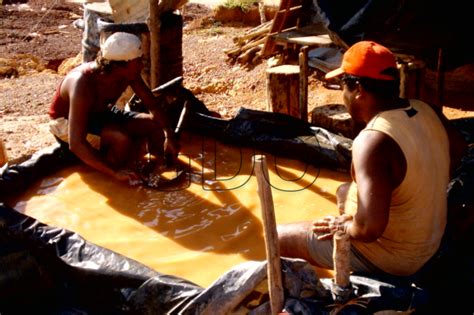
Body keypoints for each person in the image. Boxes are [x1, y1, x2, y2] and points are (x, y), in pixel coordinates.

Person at [278, 41, 467, 278]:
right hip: (431, 240)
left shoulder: (372, 141)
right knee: (344, 190)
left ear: (357, 89)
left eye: (341, 86)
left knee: (277, 236)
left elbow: (369, 228)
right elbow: (460, 150)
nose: (343, 96)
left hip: (398, 259)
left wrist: (344, 226)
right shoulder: (427, 110)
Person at [48, 32, 180, 184]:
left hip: (101, 113)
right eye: (139, 61)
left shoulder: (129, 73)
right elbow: (76, 143)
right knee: (121, 139)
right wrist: (115, 172)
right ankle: (114, 177)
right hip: (66, 122)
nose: (142, 65)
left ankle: (161, 165)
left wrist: (169, 136)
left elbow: (153, 106)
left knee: (154, 124)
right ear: (120, 65)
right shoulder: (83, 84)